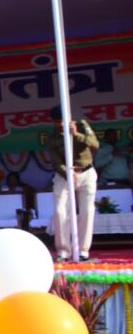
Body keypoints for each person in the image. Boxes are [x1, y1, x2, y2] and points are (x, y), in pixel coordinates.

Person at [47, 105, 99, 261]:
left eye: (62, 121)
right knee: (60, 210)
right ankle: (63, 251)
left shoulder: (82, 126)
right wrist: (67, 172)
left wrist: (76, 134)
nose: (60, 124)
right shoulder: (52, 136)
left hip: (86, 173)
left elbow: (95, 144)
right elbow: (55, 161)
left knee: (87, 211)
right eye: (56, 122)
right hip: (64, 175)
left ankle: (83, 251)